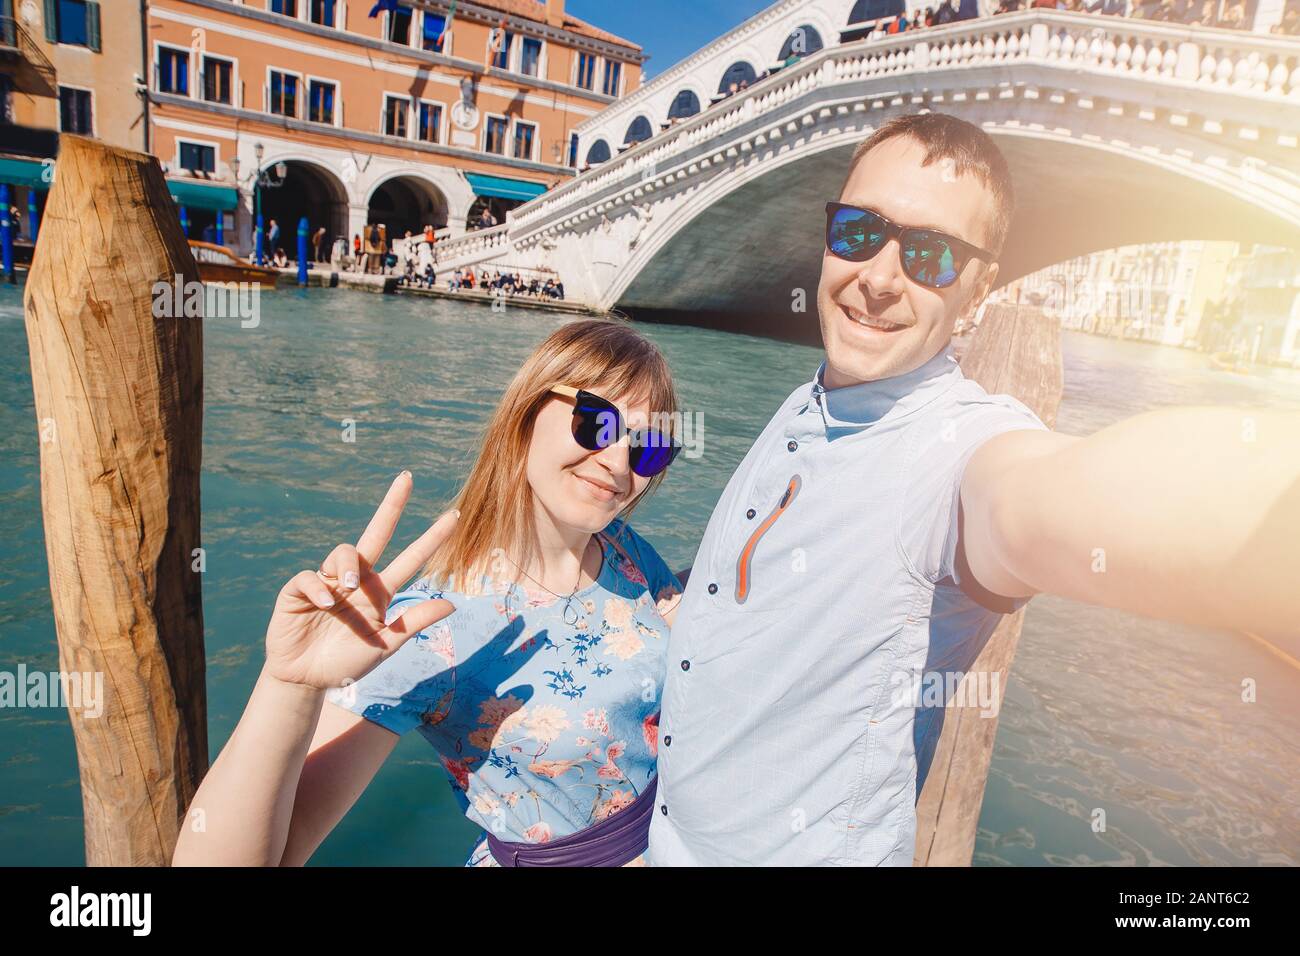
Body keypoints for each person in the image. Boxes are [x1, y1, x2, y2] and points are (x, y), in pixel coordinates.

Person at [642, 111, 1300, 866]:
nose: (880, 278)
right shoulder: (816, 395)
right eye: (859, 232)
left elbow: (1060, 497)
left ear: (980, 288)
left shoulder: (957, 452)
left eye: (931, 255)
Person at [173, 321, 688, 867]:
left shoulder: (627, 551)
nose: (618, 462)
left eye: (650, 445)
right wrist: (288, 684)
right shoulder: (430, 622)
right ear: (525, 416)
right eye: (597, 423)